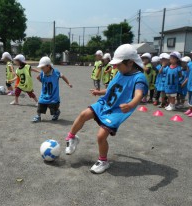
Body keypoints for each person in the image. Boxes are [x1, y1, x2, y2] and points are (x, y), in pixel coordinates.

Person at [64, 44, 148, 174]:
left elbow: (139, 95)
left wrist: (131, 105)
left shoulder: (139, 77)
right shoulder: (121, 72)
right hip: (105, 103)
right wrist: (100, 92)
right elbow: (112, 89)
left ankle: (103, 161)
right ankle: (71, 137)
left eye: (119, 64)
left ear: (130, 62)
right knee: (83, 114)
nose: (116, 67)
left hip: (117, 111)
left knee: (101, 136)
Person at [32, 57, 73, 123]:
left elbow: (62, 76)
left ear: (48, 66)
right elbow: (38, 77)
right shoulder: (42, 73)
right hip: (44, 94)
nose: (41, 69)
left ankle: (56, 112)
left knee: (53, 107)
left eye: (43, 67)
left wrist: (68, 83)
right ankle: (38, 116)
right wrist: (42, 81)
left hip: (53, 95)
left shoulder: (55, 72)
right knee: (40, 105)